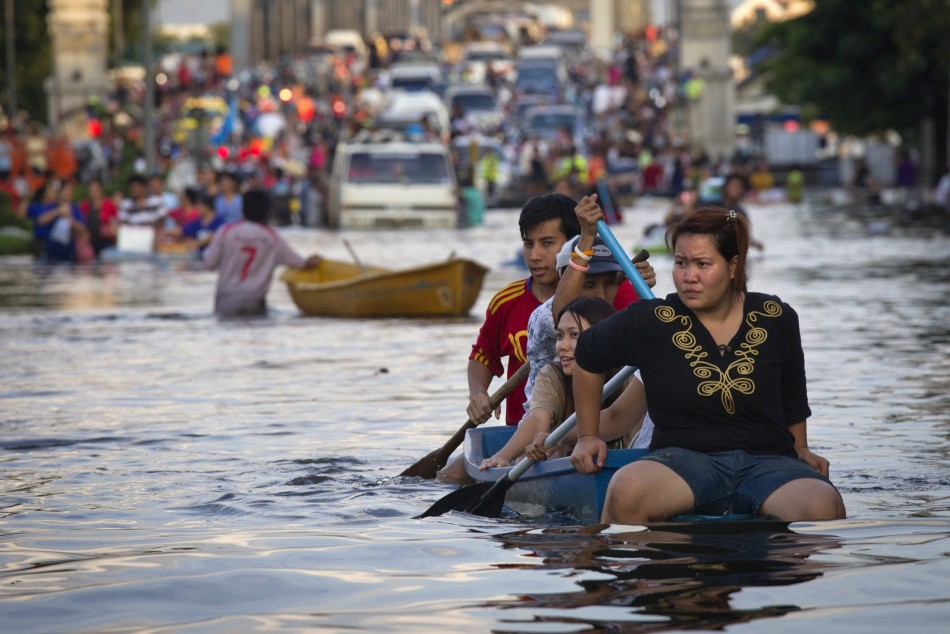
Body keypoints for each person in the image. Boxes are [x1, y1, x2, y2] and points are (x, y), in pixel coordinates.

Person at [570, 207, 847, 524]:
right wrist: (587, 436)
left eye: (703, 264)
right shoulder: (651, 319)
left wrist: (801, 449)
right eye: (681, 263)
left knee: (824, 504)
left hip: (768, 463)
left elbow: (792, 394)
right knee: (626, 489)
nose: (689, 277)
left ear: (732, 267)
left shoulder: (777, 316)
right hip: (682, 463)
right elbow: (587, 355)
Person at [437, 193, 655, 484]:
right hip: (536, 435)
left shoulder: (628, 302)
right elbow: (537, 412)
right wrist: (482, 401)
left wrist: (640, 286)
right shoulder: (543, 324)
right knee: (450, 475)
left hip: (600, 437)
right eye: (529, 244)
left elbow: (618, 417)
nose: (536, 256)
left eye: (547, 243)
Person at [479, 297, 647, 470]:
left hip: (629, 470)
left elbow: (616, 417)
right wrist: (502, 456)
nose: (562, 346)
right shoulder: (553, 374)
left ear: (603, 337)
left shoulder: (631, 373)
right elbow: (537, 418)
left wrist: (560, 436)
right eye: (560, 336)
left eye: (574, 335)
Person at [203, 189, 323, 318]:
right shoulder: (272, 237)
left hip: (226, 300)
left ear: (242, 208)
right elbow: (301, 263)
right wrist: (315, 261)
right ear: (267, 211)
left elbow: (209, 263)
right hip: (255, 301)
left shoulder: (225, 232)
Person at [79, 178, 119, 257]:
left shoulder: (109, 205)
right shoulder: (83, 206)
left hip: (106, 242)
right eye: (91, 191)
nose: (93, 194)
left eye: (95, 191)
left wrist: (109, 230)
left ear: (101, 190)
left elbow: (115, 224)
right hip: (89, 243)